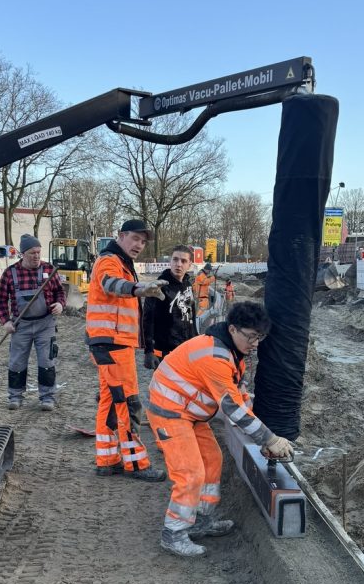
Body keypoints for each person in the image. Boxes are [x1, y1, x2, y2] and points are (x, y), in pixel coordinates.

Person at [147, 301, 295, 557]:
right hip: (170, 412)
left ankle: (200, 522)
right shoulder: (214, 357)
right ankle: (173, 534)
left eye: (260, 337)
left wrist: (261, 437)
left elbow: (240, 398)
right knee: (190, 473)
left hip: (191, 413)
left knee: (213, 461)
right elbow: (232, 409)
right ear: (234, 329)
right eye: (251, 336)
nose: (256, 343)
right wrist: (269, 438)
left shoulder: (231, 353)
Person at [86, 220, 167, 481]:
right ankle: (136, 464)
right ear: (121, 236)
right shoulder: (110, 261)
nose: (139, 245)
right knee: (129, 403)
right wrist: (137, 288)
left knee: (110, 401)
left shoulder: (120, 264)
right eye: (135, 238)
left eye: (143, 242)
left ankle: (107, 459)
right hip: (113, 344)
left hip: (109, 343)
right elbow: (112, 284)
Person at [0, 234, 65, 411]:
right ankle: (15, 397)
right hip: (21, 326)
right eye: (32, 253)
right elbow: (1, 299)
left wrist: (60, 305)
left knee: (47, 361)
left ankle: (47, 398)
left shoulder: (49, 270)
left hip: (45, 324)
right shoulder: (10, 274)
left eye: (39, 252)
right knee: (17, 362)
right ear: (22, 253)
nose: (36, 256)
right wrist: (5, 321)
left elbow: (60, 292)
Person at [143, 245, 198, 369]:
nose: (178, 264)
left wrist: (196, 341)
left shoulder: (188, 285)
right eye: (175, 259)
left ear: (189, 264)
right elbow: (147, 320)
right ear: (170, 261)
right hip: (165, 353)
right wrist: (149, 351)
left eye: (183, 261)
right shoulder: (159, 287)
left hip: (186, 350)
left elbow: (191, 317)